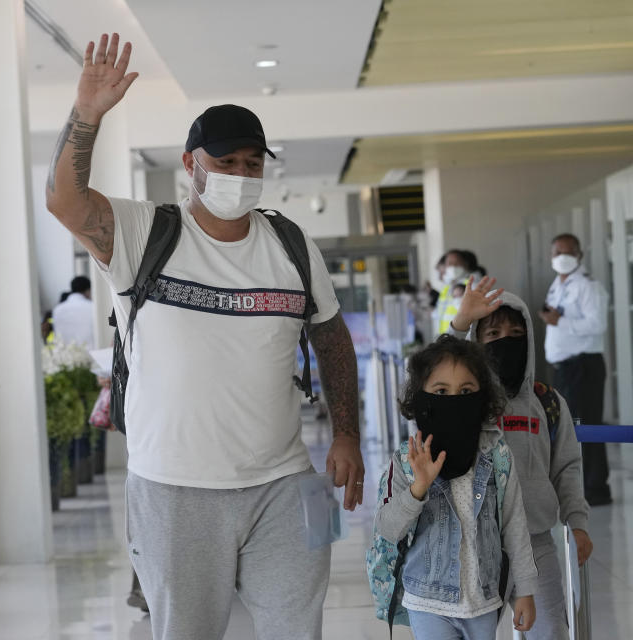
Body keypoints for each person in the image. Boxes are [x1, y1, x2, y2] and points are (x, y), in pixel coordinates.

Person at [45, 33, 363, 640]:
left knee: (300, 629)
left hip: (284, 482)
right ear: (192, 164)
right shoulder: (145, 233)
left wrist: (346, 433)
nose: (241, 175)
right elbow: (64, 201)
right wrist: (86, 114)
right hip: (173, 489)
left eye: (252, 164)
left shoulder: (291, 245)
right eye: (226, 162)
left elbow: (331, 337)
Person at [450, 277, 593, 639]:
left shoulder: (547, 402)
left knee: (551, 633)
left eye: (516, 334)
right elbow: (428, 378)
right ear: (476, 344)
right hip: (475, 545)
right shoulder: (465, 398)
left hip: (535, 542)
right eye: (493, 335)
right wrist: (460, 324)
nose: (505, 342)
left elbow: (567, 468)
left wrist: (577, 522)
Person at [374, 335, 538, 639]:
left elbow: (515, 526)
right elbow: (387, 528)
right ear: (421, 398)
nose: (454, 399)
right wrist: (417, 489)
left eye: (465, 391)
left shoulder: (497, 457)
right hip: (427, 601)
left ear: (482, 397)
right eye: (441, 391)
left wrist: (525, 590)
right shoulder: (406, 461)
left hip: (484, 601)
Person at [538, 234, 611, 506]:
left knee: (587, 426)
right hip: (564, 367)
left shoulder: (588, 286)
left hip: (583, 365)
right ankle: (579, 487)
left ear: (580, 254)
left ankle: (596, 488)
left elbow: (597, 324)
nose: (562, 257)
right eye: (558, 252)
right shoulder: (557, 285)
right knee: (570, 429)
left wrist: (560, 321)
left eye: (568, 252)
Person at [433, 250, 483, 337]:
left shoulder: (472, 284)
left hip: (463, 337)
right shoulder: (447, 287)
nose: (453, 266)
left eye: (457, 263)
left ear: (465, 264)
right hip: (445, 336)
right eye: (449, 263)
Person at [51, 276, 95, 348]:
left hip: (65, 356)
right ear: (88, 290)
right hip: (93, 354)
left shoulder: (57, 310)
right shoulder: (92, 307)